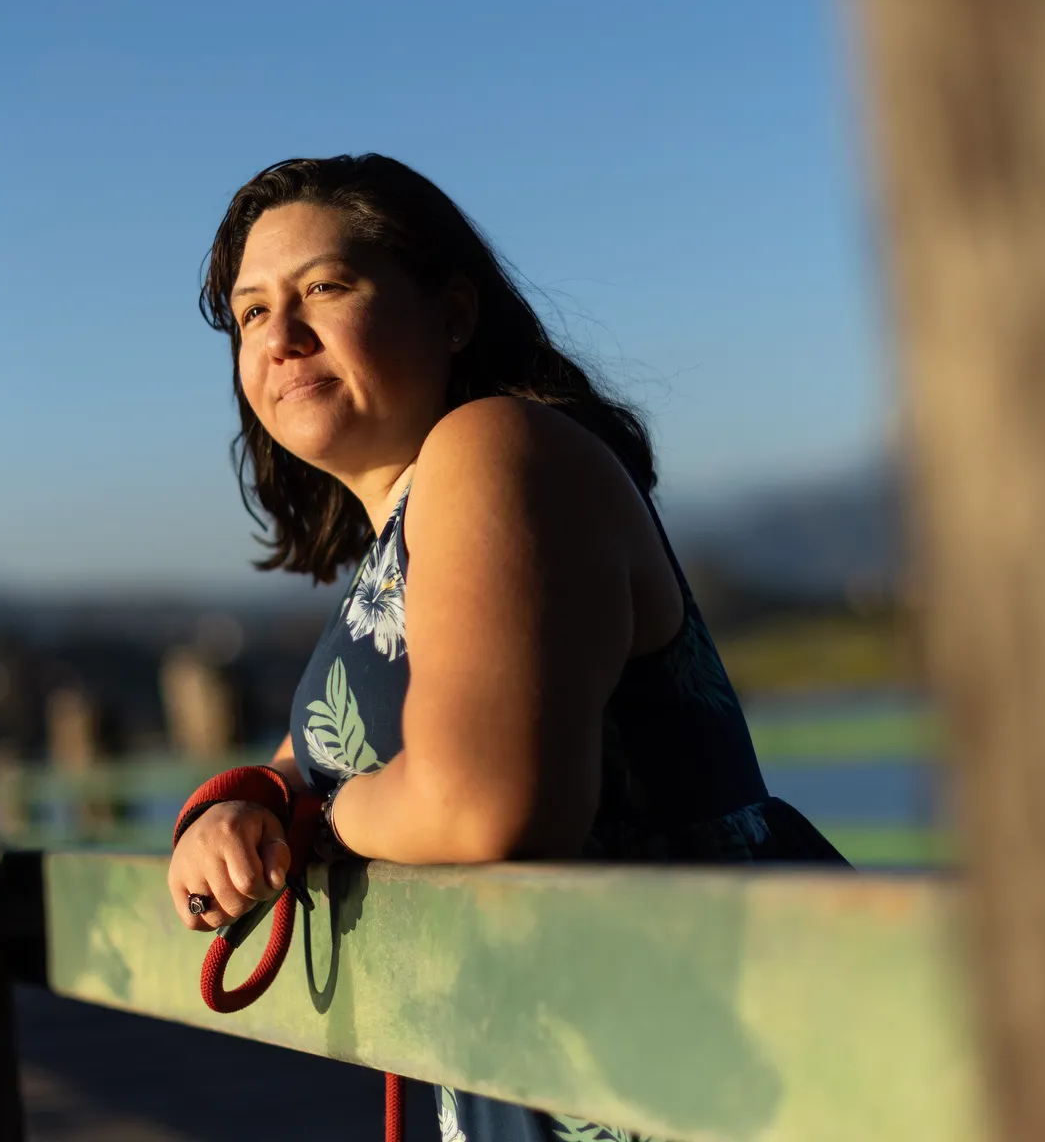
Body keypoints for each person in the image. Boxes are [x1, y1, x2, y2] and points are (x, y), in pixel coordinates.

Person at [167, 154, 846, 1142]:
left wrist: (318, 824)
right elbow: (341, 762)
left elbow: (484, 803)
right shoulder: (396, 546)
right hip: (563, 1053)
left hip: (689, 1056)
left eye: (324, 287)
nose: (282, 335)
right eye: (252, 313)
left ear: (451, 313)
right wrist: (250, 803)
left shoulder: (496, 448)